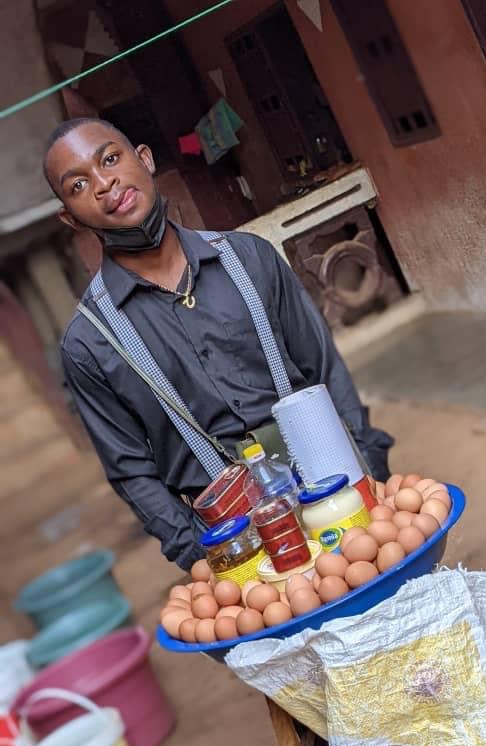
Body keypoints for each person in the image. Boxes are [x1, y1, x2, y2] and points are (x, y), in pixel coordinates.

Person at [43, 118, 393, 574]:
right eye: (79, 185)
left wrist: (370, 470)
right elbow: (131, 469)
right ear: (71, 218)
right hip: (233, 541)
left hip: (330, 488)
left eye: (110, 159)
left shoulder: (249, 258)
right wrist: (198, 556)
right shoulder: (89, 342)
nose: (105, 183)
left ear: (144, 159)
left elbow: (324, 372)